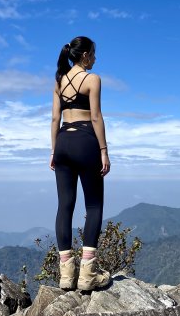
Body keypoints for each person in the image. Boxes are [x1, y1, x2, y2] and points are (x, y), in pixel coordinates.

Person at [50, 36, 112, 291]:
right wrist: (104, 151)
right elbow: (96, 117)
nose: (95, 58)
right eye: (94, 54)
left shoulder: (59, 81)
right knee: (94, 205)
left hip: (63, 141)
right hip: (86, 141)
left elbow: (55, 119)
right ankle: (87, 276)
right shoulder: (92, 79)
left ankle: (66, 276)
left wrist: (54, 151)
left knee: (65, 206)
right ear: (85, 55)